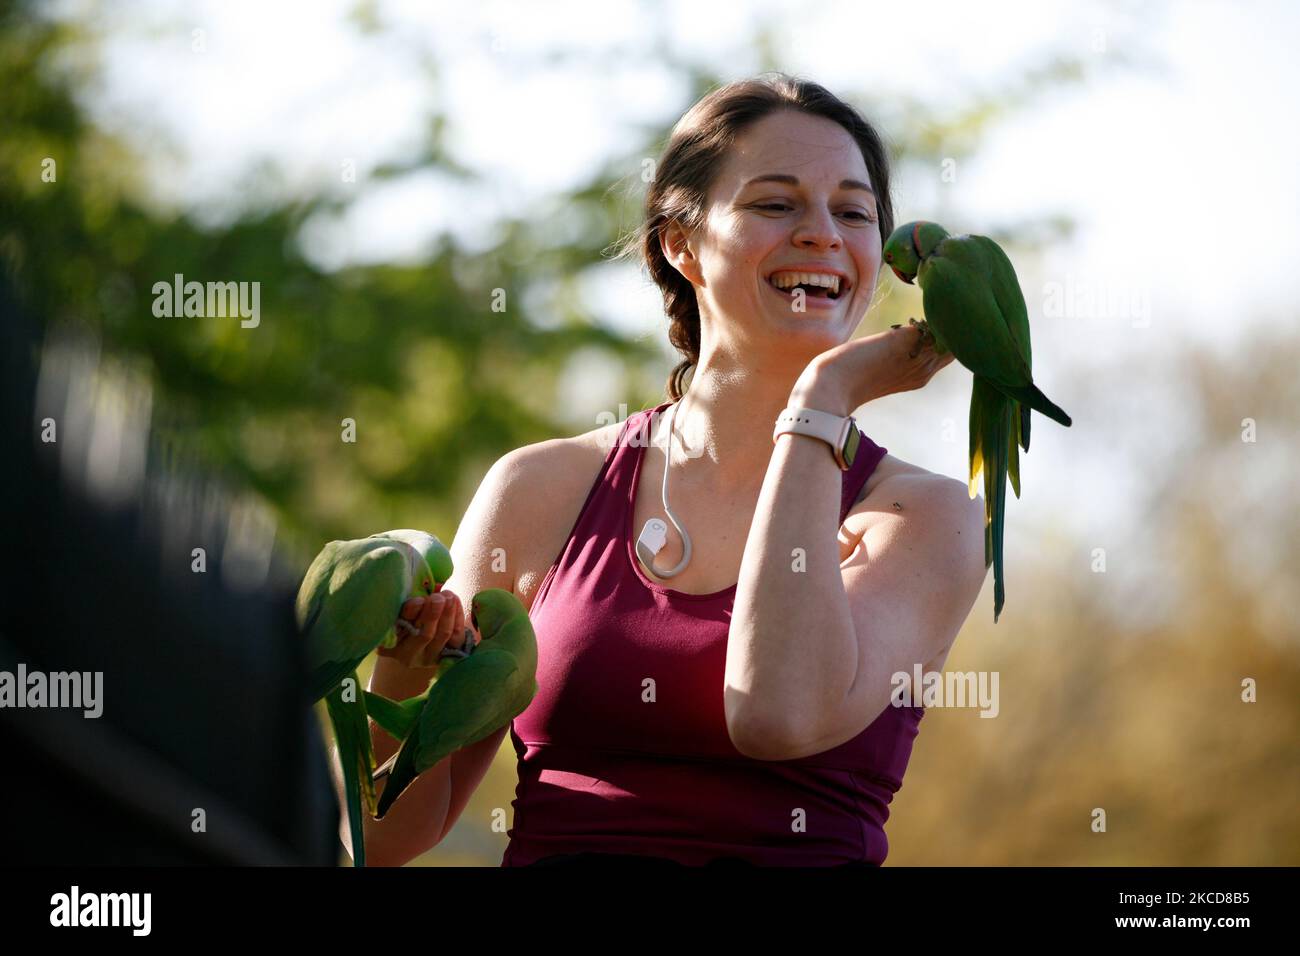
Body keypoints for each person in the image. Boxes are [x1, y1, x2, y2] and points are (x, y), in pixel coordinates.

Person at [355, 73, 989, 867]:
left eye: (853, 212)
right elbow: (377, 842)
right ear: (680, 243)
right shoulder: (541, 492)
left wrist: (822, 399)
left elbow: (776, 716)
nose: (823, 233)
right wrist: (399, 671)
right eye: (775, 203)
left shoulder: (927, 518)